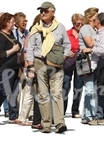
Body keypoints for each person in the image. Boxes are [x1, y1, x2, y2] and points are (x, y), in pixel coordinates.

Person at [26, 2, 71, 133]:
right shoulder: (35, 28)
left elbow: (67, 45)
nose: (43, 13)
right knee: (43, 95)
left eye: (46, 11)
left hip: (56, 64)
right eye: (41, 11)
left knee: (57, 94)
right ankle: (45, 124)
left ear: (53, 12)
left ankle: (59, 123)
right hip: (39, 62)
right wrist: (30, 67)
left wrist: (63, 57)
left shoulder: (60, 27)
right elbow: (30, 48)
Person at [0, 13, 21, 124]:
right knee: (5, 92)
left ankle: (13, 116)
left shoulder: (12, 34)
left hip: (15, 68)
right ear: (5, 23)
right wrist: (13, 50)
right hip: (5, 68)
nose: (14, 24)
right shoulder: (0, 36)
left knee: (13, 92)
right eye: (11, 21)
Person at [78, 7, 99, 124]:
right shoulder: (86, 28)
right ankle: (89, 116)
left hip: (93, 61)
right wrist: (102, 41)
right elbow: (90, 43)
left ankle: (87, 115)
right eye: (96, 16)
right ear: (91, 17)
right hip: (87, 62)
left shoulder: (93, 29)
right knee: (90, 88)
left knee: (92, 88)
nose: (98, 18)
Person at [62, 13, 85, 118]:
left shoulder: (84, 34)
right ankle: (62, 110)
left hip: (80, 62)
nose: (80, 26)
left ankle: (75, 110)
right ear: (73, 23)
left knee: (78, 87)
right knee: (65, 86)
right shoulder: (67, 33)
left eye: (81, 24)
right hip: (68, 62)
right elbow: (60, 45)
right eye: (77, 24)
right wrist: (67, 51)